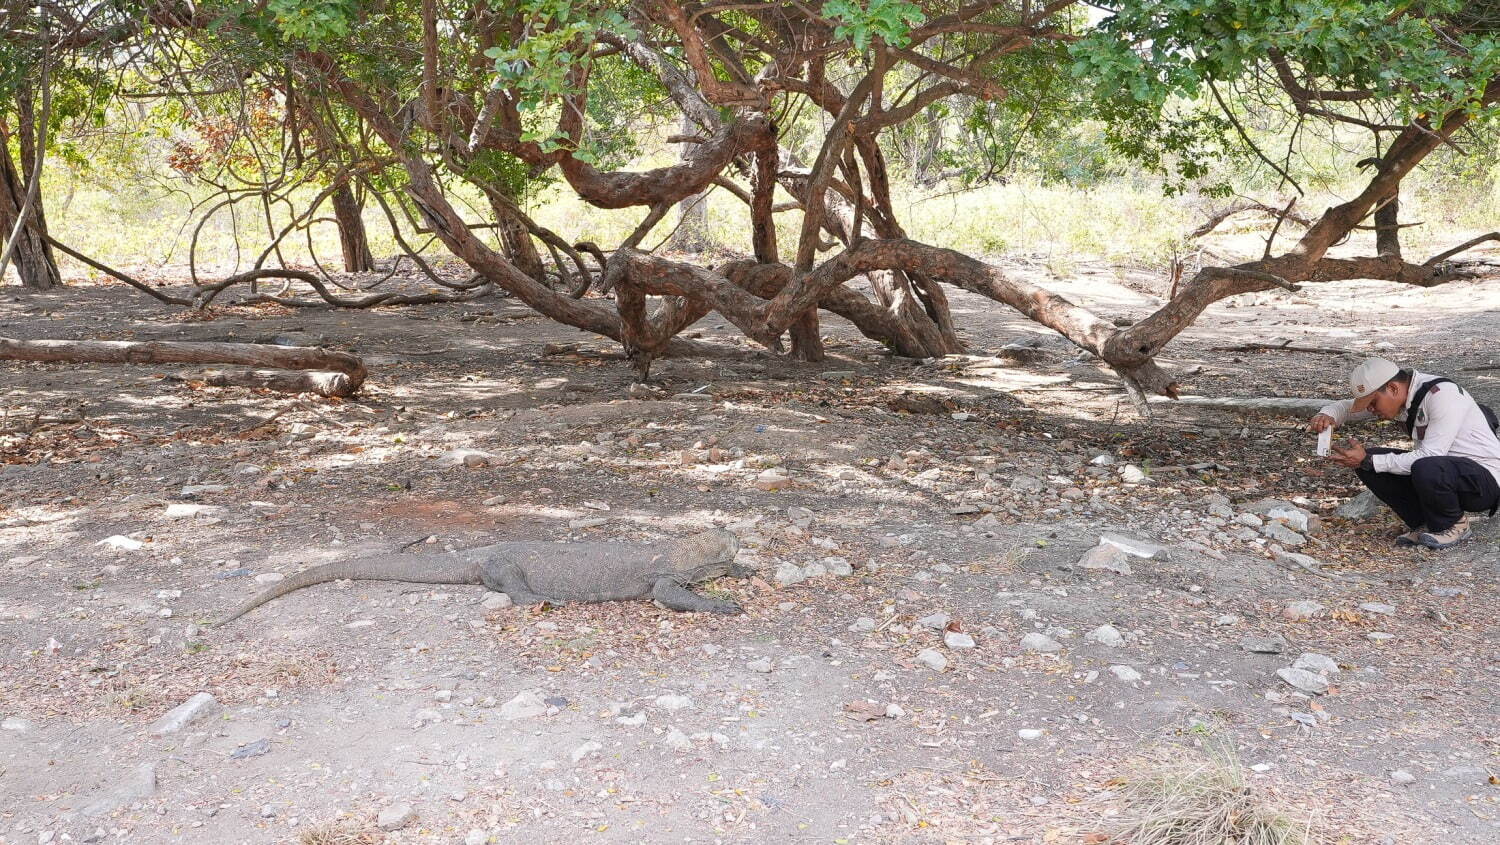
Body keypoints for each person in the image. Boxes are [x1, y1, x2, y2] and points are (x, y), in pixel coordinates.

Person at [1309, 357, 1500, 549]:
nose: (1370, 409)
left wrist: (1369, 460)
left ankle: (1453, 525)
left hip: (1484, 481)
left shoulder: (1442, 395)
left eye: (1373, 402)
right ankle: (1425, 522)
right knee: (1370, 464)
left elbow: (1430, 455)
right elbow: (1346, 408)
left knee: (1421, 465)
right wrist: (1327, 415)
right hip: (1445, 472)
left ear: (1393, 388)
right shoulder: (1402, 396)